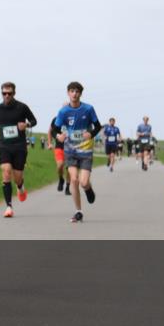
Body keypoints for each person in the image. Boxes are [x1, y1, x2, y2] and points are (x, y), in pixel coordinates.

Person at [53, 82, 102, 223]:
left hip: (86, 150)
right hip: (70, 150)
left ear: (81, 93)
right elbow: (55, 128)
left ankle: (88, 189)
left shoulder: (88, 109)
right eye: (72, 91)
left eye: (77, 91)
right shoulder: (63, 112)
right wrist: (58, 136)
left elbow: (98, 126)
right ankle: (78, 211)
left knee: (84, 182)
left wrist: (91, 134)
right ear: (68, 93)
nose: (74, 94)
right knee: (74, 179)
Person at [0, 83, 37, 218]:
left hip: (19, 146)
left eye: (9, 93)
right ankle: (9, 206)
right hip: (4, 146)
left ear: (14, 93)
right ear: (1, 93)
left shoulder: (22, 107)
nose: (7, 95)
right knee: (6, 171)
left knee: (17, 176)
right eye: (4, 93)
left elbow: (34, 120)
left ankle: (20, 186)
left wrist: (26, 124)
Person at [48, 116, 71, 195]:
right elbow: (50, 131)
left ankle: (68, 187)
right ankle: (61, 179)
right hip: (59, 146)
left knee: (69, 169)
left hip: (71, 147)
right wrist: (50, 143)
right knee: (60, 165)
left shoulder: (73, 118)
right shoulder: (57, 119)